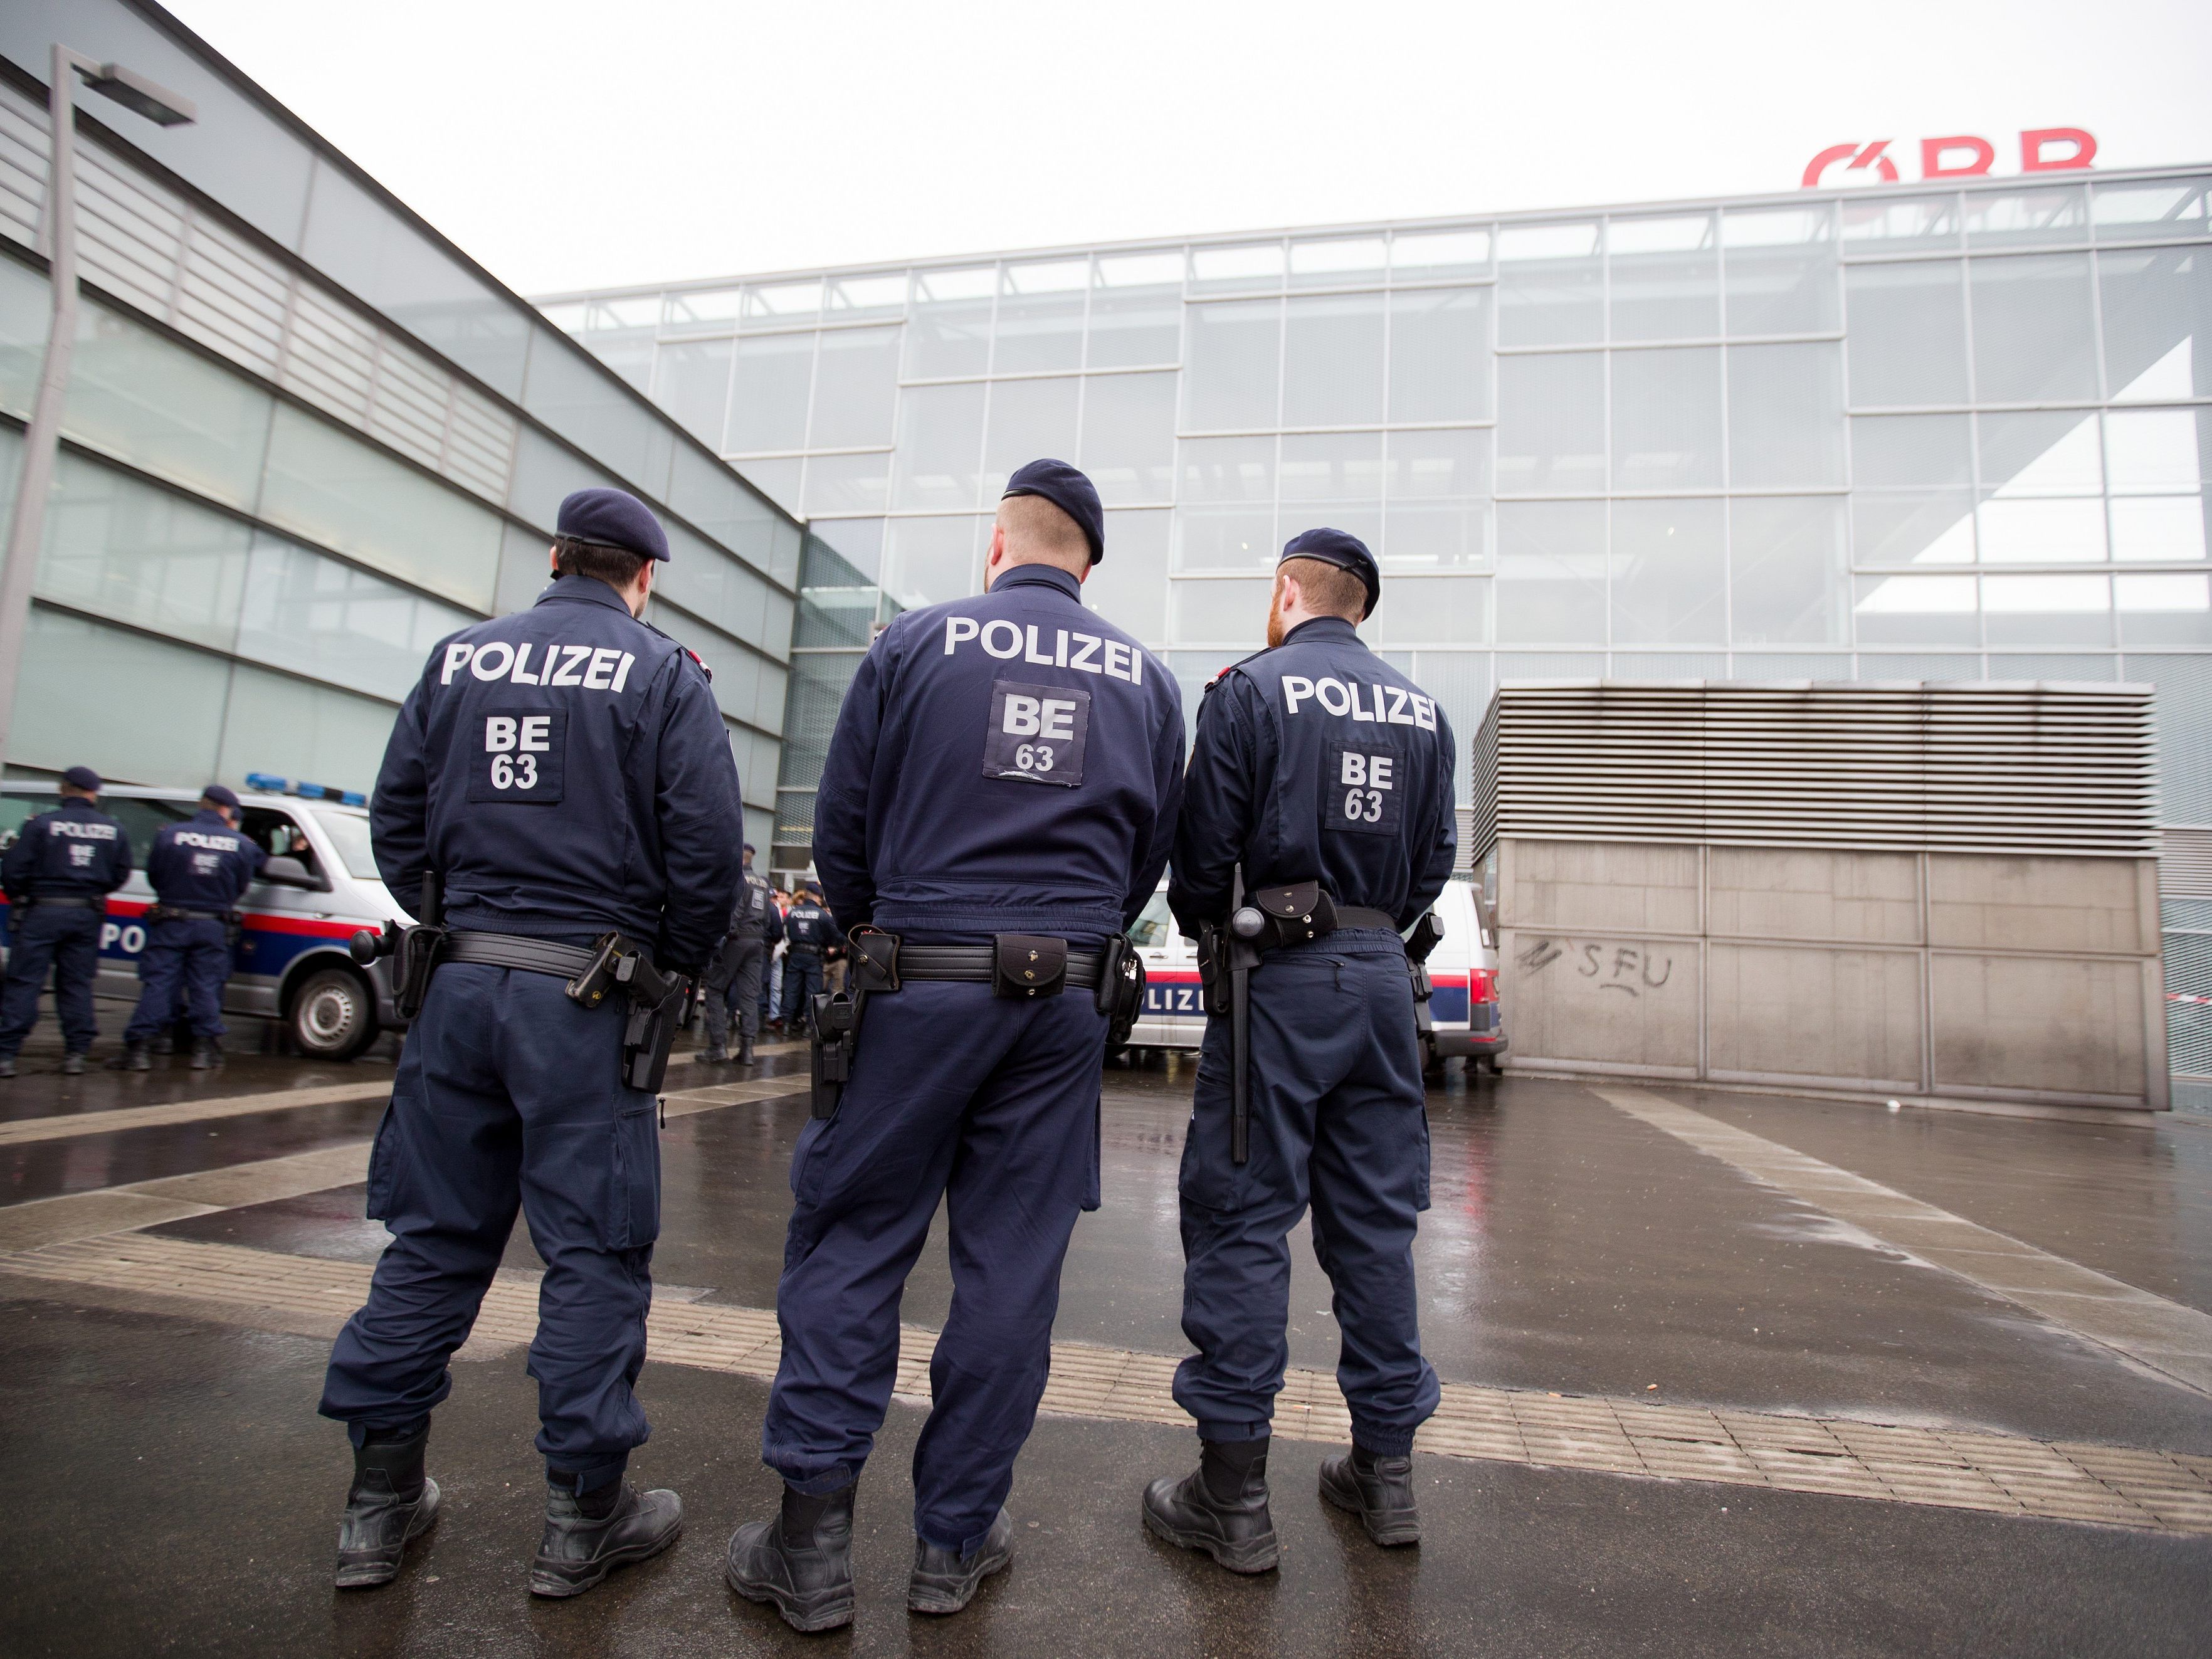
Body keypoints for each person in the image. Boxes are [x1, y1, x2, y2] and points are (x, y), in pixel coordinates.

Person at [726, 460, 1184, 1631]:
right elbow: (1145, 863)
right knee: (1010, 1270)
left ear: (999, 545)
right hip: (1065, 1001)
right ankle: (953, 1543)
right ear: (1087, 560)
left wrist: (894, 930)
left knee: (854, 1241)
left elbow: (841, 835)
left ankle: (811, 1546)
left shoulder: (914, 643)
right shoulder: (1145, 678)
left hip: (914, 984)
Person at [318, 488, 744, 1597]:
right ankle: (579, 1519)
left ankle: (376, 1507)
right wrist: (669, 967)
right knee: (592, 1254)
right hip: (588, 1000)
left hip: (458, 987)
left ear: (554, 558)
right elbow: (706, 858)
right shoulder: (661, 674)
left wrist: (460, 924)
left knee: (431, 1242)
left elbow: (396, 821)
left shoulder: (458, 659)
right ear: (642, 578)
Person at [1142, 528, 1457, 1574]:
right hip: (1379, 981)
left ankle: (1230, 1500)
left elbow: (1201, 853)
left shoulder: (1249, 688)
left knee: (1240, 1220)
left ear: (1288, 593)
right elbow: (1431, 864)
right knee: (1374, 1228)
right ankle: (1386, 1478)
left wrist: (1219, 931)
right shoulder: (1422, 709)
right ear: (1362, 604)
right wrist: (1369, 931)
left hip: (1275, 976)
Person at [110, 784, 264, 1072]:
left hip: (171, 921)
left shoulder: (170, 835)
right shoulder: (240, 843)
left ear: (202, 806)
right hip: (212, 925)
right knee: (206, 986)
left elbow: (156, 875)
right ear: (226, 810)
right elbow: (241, 885)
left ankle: (139, 1050)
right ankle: (204, 1051)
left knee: (159, 983)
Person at [0, 766, 132, 1077]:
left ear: (63, 790)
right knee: (76, 984)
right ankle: (76, 1054)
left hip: (42, 911)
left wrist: (25, 895)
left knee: (25, 981)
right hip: (86, 915)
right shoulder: (114, 828)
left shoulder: (42, 825)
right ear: (93, 793)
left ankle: (6, 1055)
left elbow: (13, 870)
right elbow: (120, 873)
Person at [700, 842, 780, 1065]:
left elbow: (733, 911)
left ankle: (718, 1046)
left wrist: (722, 938)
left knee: (715, 989)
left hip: (736, 940)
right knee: (749, 995)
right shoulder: (764, 882)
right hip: (757, 942)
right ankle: (747, 1050)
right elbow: (768, 917)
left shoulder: (738, 878)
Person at [777, 880, 836, 1036]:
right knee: (813, 991)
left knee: (791, 989)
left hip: (795, 955)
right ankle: (810, 1026)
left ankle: (787, 1024)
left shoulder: (793, 913)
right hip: (814, 957)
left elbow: (786, 932)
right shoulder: (822, 915)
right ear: (817, 897)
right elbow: (834, 936)